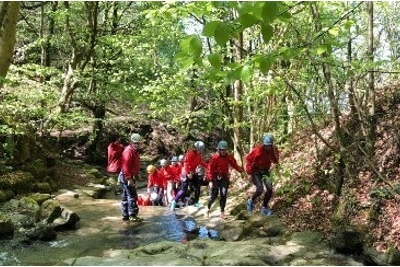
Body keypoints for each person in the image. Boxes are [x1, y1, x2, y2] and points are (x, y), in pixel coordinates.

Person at [206, 140, 244, 219]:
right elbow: (209, 170)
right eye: (222, 150)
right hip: (215, 178)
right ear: (219, 149)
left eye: (225, 150)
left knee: (223, 194)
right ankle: (208, 208)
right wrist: (210, 180)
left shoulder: (229, 156)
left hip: (224, 177)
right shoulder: (215, 158)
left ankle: (222, 212)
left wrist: (241, 170)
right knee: (214, 195)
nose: (223, 151)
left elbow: (234, 164)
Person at [245, 134, 280, 216]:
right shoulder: (257, 150)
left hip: (266, 171)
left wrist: (276, 162)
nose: (268, 147)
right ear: (263, 144)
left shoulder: (273, 149)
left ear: (271, 144)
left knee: (270, 189)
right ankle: (251, 201)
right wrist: (249, 173)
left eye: (269, 146)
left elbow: (276, 159)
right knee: (260, 189)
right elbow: (248, 159)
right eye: (266, 146)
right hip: (256, 171)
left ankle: (264, 207)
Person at [119, 133, 143, 222]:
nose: (137, 145)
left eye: (138, 143)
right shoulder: (128, 151)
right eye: (135, 143)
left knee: (126, 196)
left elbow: (135, 165)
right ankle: (132, 215)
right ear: (131, 142)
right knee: (132, 196)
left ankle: (125, 215)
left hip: (129, 175)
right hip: (127, 176)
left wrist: (137, 174)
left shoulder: (134, 151)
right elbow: (126, 166)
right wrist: (129, 178)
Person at [182, 140, 208, 208]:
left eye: (201, 150)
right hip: (187, 173)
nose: (201, 151)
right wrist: (188, 173)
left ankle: (196, 202)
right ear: (196, 148)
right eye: (200, 149)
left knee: (198, 186)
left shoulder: (198, 154)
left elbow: (200, 162)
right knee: (188, 188)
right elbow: (186, 164)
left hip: (193, 172)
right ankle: (181, 200)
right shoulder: (190, 154)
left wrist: (207, 165)